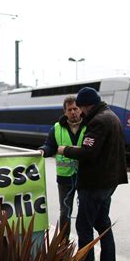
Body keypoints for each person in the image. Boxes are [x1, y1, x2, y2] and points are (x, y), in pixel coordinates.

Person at [57, 87, 128, 261]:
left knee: (84, 226)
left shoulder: (98, 121)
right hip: (109, 180)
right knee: (102, 222)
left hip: (95, 183)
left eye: (80, 108)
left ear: (86, 105)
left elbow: (89, 153)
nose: (79, 112)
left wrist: (66, 150)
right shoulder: (111, 116)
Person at [38, 96, 86, 242]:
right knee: (65, 212)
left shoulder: (90, 125)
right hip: (65, 178)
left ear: (81, 110)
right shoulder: (57, 128)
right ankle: (63, 246)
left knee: (85, 213)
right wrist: (42, 151)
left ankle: (84, 248)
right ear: (65, 112)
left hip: (86, 177)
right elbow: (50, 146)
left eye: (75, 109)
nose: (73, 112)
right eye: (69, 109)